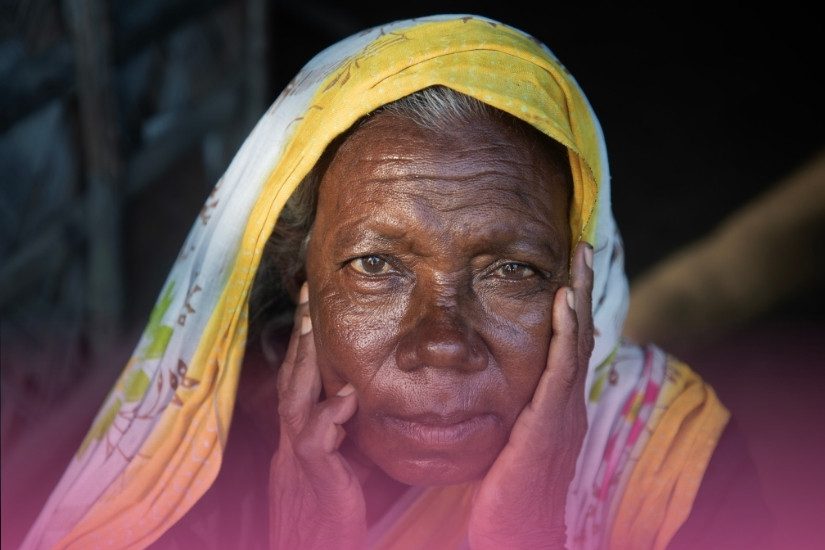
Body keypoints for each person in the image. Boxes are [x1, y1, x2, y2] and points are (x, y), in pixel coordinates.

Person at [21, 14, 771, 549]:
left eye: (511, 270)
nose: (440, 343)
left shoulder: (669, 459)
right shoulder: (192, 483)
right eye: (376, 266)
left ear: (582, 284)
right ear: (300, 275)